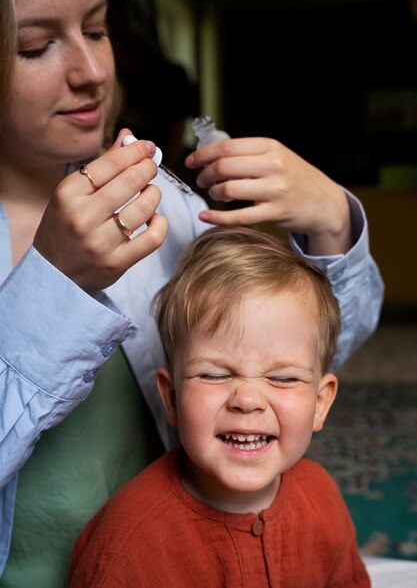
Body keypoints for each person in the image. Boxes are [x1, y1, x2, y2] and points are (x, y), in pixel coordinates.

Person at [0, 0, 383, 585]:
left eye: (97, 31)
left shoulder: (163, 208)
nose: (92, 73)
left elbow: (306, 352)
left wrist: (331, 222)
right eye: (36, 46)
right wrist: (52, 288)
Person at [69, 226, 370, 587]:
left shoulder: (322, 497)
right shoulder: (128, 545)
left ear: (320, 403)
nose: (247, 400)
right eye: (213, 375)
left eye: (284, 378)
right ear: (172, 398)